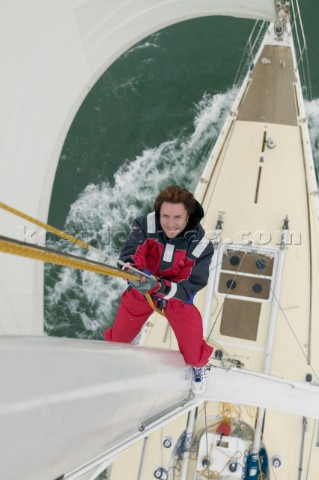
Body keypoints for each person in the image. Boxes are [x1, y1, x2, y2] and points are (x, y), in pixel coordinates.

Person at [103, 185, 214, 393]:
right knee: (117, 340)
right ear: (158, 213)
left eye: (177, 217)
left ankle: (199, 366)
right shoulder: (145, 225)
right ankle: (113, 361)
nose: (170, 224)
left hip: (176, 298)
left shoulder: (202, 245)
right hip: (142, 289)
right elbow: (129, 255)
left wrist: (162, 287)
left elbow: (191, 285)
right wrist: (135, 274)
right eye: (165, 216)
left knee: (192, 353)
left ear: (188, 216)